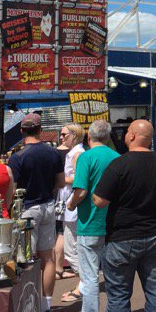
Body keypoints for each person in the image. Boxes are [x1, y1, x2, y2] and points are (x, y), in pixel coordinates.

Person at [92, 119, 156, 312]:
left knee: (118, 297)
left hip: (122, 238)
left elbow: (99, 200)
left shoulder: (119, 165)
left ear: (131, 136)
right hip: (155, 235)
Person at [62, 119, 119, 312]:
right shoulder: (116, 158)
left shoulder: (86, 157)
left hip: (90, 224)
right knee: (115, 278)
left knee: (90, 277)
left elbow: (81, 190)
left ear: (89, 137)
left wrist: (70, 204)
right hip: (113, 224)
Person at [7, 112, 65, 312]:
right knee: (47, 258)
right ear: (41, 131)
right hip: (48, 205)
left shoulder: (18, 156)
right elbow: (60, 182)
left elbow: (12, 189)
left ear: (22, 131)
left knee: (27, 259)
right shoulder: (52, 154)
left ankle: (29, 308)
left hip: (27, 209)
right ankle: (45, 307)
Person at [56, 123, 85, 289]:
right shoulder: (75, 153)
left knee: (71, 248)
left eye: (64, 135)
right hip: (69, 203)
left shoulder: (77, 154)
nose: (61, 138)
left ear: (74, 135)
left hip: (72, 205)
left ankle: (85, 283)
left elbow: (80, 179)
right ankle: (83, 283)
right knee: (72, 246)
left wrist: (60, 180)